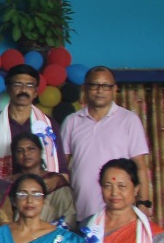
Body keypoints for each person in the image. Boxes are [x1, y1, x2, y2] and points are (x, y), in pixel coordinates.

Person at [59, 67, 152, 223]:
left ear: (114, 89)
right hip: (80, 211)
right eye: (94, 85)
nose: (100, 91)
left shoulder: (129, 120)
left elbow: (140, 166)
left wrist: (143, 203)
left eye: (106, 86)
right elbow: (62, 168)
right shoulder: (72, 121)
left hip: (120, 215)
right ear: (84, 88)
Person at [0, 64, 59, 179]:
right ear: (8, 88)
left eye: (29, 85)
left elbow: (61, 167)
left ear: (36, 92)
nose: (23, 90)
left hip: (44, 187)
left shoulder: (49, 124)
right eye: (17, 84)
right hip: (3, 186)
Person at [0, 133, 75, 228]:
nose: (26, 153)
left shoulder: (56, 181)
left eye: (31, 149)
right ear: (15, 157)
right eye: (20, 151)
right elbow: (3, 219)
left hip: (52, 234)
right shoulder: (7, 184)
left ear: (40, 152)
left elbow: (69, 214)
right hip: (17, 234)